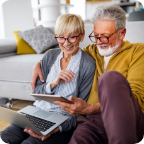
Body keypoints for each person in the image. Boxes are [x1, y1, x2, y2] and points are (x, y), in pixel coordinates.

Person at [31, 4, 144, 144]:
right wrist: (40, 63)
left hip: (127, 119)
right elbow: (68, 50)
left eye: (105, 36)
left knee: (109, 78)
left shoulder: (137, 52)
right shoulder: (91, 51)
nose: (99, 42)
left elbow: (137, 98)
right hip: (91, 123)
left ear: (122, 33)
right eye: (96, 36)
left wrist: (90, 108)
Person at [0, 14, 96, 144]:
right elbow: (37, 95)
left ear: (82, 36)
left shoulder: (87, 64)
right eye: (61, 37)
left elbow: (80, 111)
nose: (66, 43)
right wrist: (53, 83)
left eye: (72, 37)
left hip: (62, 121)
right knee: (4, 137)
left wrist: (58, 128)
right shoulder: (50, 56)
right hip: (35, 112)